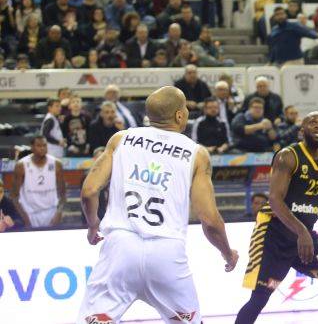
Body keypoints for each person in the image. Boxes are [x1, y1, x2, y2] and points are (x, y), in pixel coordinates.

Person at [77, 86, 239, 324]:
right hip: (166, 252)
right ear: (179, 115)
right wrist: (228, 253)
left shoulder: (121, 139)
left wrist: (93, 225)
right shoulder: (196, 154)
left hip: (120, 247)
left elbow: (89, 191)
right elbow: (210, 220)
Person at [236, 112, 318, 323]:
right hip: (274, 233)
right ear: (301, 131)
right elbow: (275, 200)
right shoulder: (288, 155)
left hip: (305, 235)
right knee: (260, 297)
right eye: (312, 122)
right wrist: (302, 231)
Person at [11, 136, 66, 228]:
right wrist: (25, 218)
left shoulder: (56, 164)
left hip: (51, 212)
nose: (42, 148)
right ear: (32, 147)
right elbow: (14, 196)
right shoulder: (21, 165)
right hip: (29, 213)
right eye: (39, 146)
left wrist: (59, 213)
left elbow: (63, 194)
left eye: (44, 145)